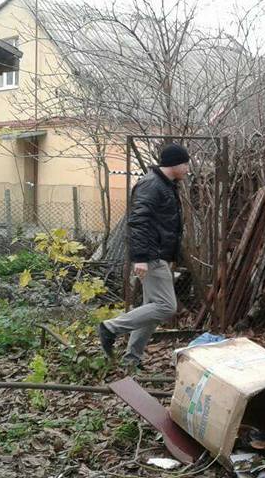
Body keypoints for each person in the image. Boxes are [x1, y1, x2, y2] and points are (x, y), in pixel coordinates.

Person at [98, 143, 190, 368]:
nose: (188, 168)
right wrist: (140, 258)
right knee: (166, 306)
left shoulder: (166, 184)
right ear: (174, 163)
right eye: (185, 163)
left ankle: (132, 359)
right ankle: (111, 327)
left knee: (152, 309)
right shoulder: (152, 185)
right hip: (151, 255)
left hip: (158, 255)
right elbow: (139, 222)